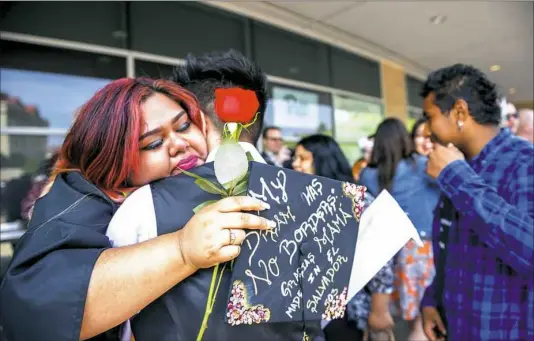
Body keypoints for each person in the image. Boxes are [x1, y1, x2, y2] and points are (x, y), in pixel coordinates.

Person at [0, 77, 273, 341]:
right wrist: (181, 251)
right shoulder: (81, 200)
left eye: (183, 126)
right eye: (153, 143)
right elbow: (39, 309)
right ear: (116, 163)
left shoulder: (229, 180)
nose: (179, 145)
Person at [105, 50, 321, 341]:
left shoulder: (143, 207)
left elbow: (114, 318)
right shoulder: (319, 201)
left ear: (199, 121)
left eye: (182, 124)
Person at [420, 64, 533, 341]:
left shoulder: (524, 162)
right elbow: (456, 246)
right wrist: (433, 298)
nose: (424, 130)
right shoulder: (459, 164)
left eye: (429, 116)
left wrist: (456, 178)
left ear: (460, 112)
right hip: (459, 324)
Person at [292, 134, 395, 341]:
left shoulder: (356, 201)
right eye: (295, 158)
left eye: (303, 159)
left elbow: (381, 265)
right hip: (300, 312)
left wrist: (379, 310)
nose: (295, 164)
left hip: (345, 311)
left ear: (323, 161)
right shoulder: (292, 198)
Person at [360, 118, 440, 341]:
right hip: (420, 249)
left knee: (383, 319)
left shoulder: (368, 173)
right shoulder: (423, 166)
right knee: (421, 321)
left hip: (382, 254)